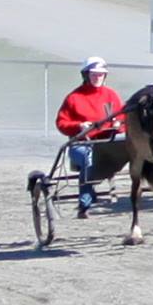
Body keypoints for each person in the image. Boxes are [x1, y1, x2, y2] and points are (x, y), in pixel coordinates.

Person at [56, 56, 128, 218]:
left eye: (101, 74)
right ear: (86, 75)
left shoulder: (111, 95)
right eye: (94, 74)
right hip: (81, 144)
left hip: (107, 144)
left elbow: (124, 118)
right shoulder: (74, 98)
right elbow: (61, 123)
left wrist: (119, 125)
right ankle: (85, 204)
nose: (98, 78)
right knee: (89, 158)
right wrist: (79, 126)